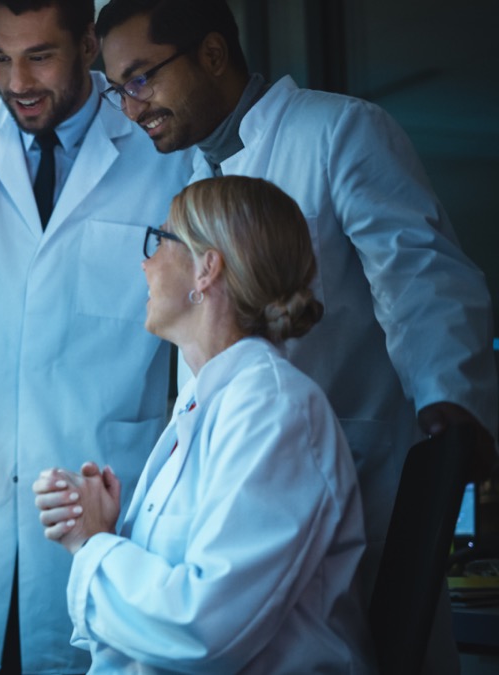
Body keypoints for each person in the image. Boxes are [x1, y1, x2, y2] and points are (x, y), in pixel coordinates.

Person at [95, 0, 497, 602]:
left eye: (142, 78)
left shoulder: (337, 131)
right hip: (237, 496)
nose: (131, 107)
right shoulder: (186, 176)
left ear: (211, 54)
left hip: (356, 475)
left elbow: (419, 280)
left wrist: (452, 417)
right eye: (117, 90)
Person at [0, 0, 194, 672]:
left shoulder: (160, 152)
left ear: (90, 43)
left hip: (104, 492)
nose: (17, 81)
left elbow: (195, 330)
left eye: (39, 55)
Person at [34, 175, 375, 673]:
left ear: (206, 268)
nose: (145, 263)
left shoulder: (273, 410)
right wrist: (107, 525)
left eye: (160, 240)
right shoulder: (207, 399)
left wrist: (92, 544)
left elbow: (202, 630)